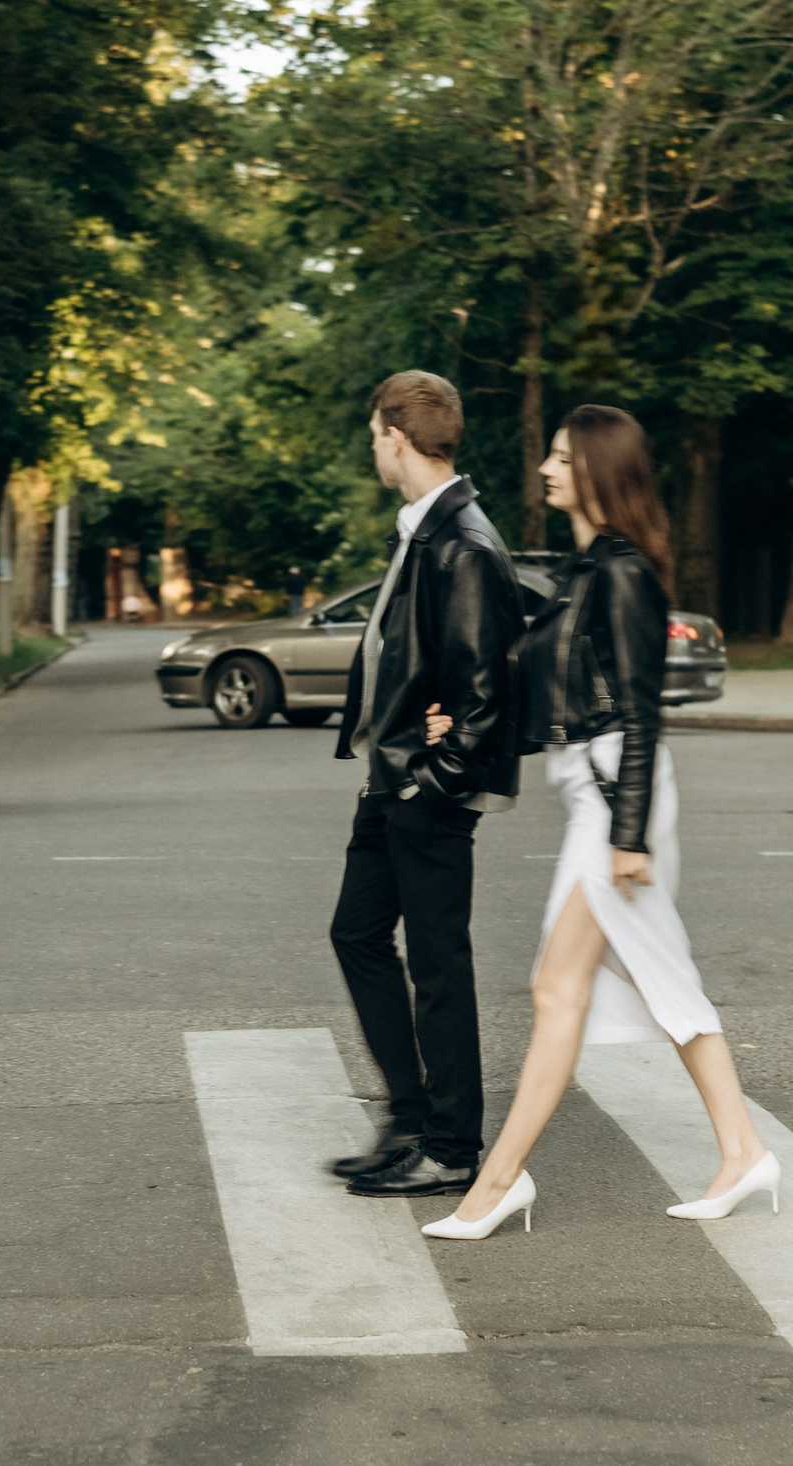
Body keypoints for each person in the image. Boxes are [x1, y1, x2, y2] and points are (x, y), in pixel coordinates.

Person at [417, 403, 771, 1241]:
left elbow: (641, 715)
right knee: (657, 981)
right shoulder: (586, 569)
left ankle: (498, 1181)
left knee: (556, 989)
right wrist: (463, 729)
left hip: (616, 794)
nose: (544, 468)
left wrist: (629, 835)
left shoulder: (623, 574)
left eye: (562, 458)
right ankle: (743, 1151)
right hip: (592, 788)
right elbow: (548, 696)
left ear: (599, 472)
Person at [326, 371, 523, 1199]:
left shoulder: (463, 544)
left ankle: (450, 1145)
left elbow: (487, 696)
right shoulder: (424, 532)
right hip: (393, 774)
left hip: (422, 789)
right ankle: (409, 1116)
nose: (373, 447)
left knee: (439, 963)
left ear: (396, 436)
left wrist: (429, 784)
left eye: (375, 434)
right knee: (358, 934)